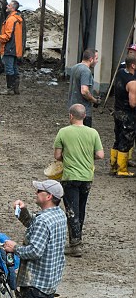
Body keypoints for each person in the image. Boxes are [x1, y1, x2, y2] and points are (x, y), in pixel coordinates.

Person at [54, 104, 104, 256]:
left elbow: (57, 156)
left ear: (71, 116)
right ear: (84, 116)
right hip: (87, 177)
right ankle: (77, 239)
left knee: (71, 210)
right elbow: (100, 155)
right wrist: (89, 157)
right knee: (81, 208)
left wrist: (68, 156)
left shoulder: (63, 132)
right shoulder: (93, 132)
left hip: (70, 176)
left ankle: (75, 244)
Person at [110, 51, 136, 177]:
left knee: (117, 139)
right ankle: (122, 169)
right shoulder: (132, 82)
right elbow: (133, 103)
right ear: (133, 66)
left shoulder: (120, 73)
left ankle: (113, 167)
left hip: (117, 111)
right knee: (126, 141)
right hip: (128, 115)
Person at [0, 0, 24, 96]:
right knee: (14, 67)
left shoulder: (10, 20)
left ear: (13, 8)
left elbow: (7, 36)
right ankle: (15, 89)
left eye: (9, 5)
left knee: (9, 68)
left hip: (9, 47)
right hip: (15, 47)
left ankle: (9, 89)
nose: (7, 6)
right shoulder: (17, 19)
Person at [66, 49, 100, 126]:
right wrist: (94, 100)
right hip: (83, 112)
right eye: (96, 59)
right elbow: (84, 91)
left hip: (73, 108)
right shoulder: (86, 71)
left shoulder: (75, 67)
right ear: (91, 59)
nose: (97, 61)